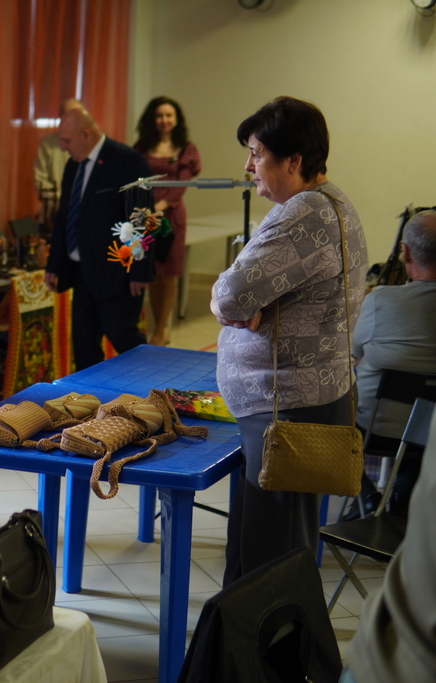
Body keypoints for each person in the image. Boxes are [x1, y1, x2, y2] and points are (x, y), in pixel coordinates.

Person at [211, 96, 368, 586]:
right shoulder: (331, 202)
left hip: (286, 408)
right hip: (304, 399)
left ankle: (269, 637)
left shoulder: (304, 213)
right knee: (265, 545)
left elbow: (232, 295)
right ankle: (246, 633)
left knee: (269, 560)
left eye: (257, 154)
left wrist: (224, 302)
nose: (248, 166)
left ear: (293, 161)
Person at [43, 107, 152, 370]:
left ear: (86, 134)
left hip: (116, 271)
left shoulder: (127, 160)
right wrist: (54, 264)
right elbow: (64, 216)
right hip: (81, 272)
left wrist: (140, 269)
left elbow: (142, 219)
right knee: (84, 345)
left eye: (67, 140)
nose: (63, 147)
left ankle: (150, 386)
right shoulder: (73, 165)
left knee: (124, 338)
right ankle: (88, 395)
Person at [346, 209, 436, 516]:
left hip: (374, 430)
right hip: (431, 436)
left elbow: (354, 352)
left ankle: (365, 495)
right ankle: (402, 499)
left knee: (327, 411)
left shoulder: (380, 301)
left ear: (406, 253)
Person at [342, 409, 436, 683]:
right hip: (396, 650)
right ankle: (382, 500)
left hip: (389, 645)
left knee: (342, 427)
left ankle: (367, 495)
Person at [133, 96, 202, 346]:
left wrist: (158, 208)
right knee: (151, 272)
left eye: (169, 115)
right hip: (143, 216)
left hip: (171, 218)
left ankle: (162, 329)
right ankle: (155, 326)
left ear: (176, 119)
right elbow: (132, 176)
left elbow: (181, 184)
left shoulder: (186, 148)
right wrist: (144, 210)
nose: (164, 120)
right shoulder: (142, 147)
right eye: (160, 115)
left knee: (168, 274)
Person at [33, 98, 85, 202]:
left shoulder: (91, 143)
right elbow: (40, 180)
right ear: (61, 117)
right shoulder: (48, 143)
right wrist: (61, 200)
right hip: (55, 205)